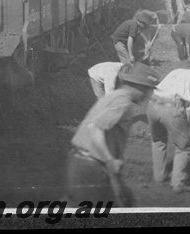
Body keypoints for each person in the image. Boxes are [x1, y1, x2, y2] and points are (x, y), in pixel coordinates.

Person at [67, 63, 161, 206]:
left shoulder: (115, 97)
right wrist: (110, 160)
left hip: (84, 162)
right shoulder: (121, 101)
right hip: (90, 165)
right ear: (138, 86)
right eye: (147, 89)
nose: (147, 95)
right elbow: (95, 128)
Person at [147, 58, 190, 193]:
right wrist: (185, 132)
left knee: (158, 140)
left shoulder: (177, 71)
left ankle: (159, 177)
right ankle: (177, 185)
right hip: (172, 105)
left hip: (153, 102)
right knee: (184, 146)